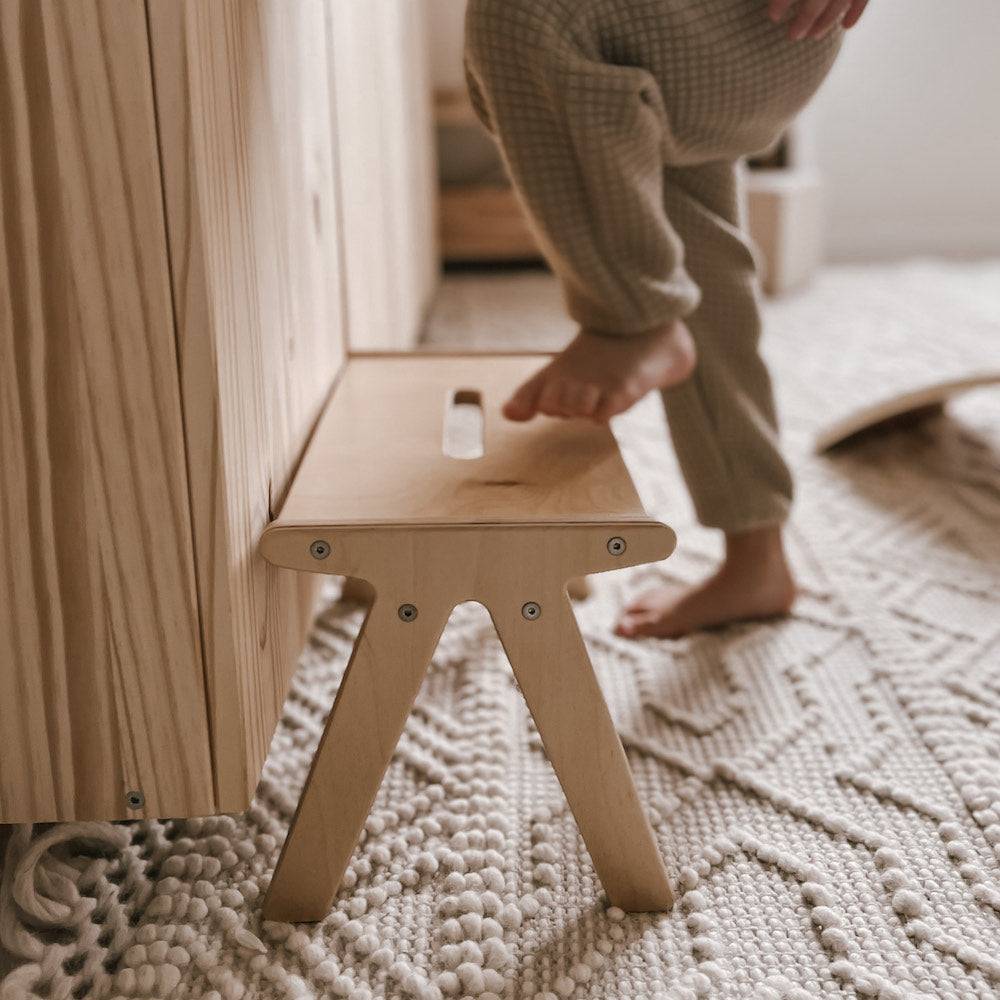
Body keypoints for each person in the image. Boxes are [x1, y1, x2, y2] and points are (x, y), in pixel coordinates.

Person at [463, 0, 869, 637]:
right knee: (686, 242)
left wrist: (629, 307)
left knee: (530, 14)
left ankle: (634, 315)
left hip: (780, 20)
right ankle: (756, 558)